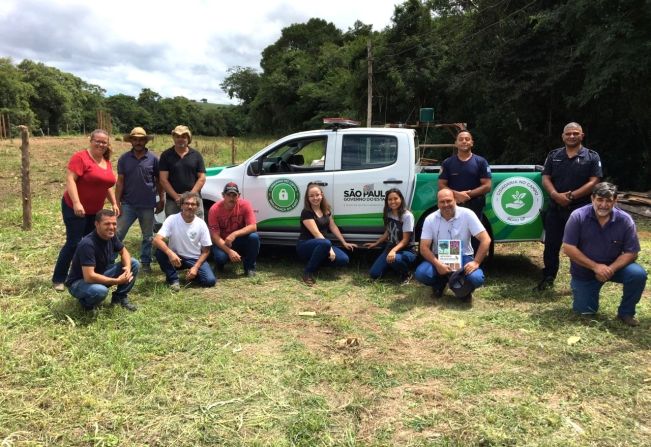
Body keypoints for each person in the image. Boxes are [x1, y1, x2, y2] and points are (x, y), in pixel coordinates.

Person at [562, 182, 647, 326]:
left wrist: (610, 269)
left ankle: (626, 313)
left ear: (615, 201)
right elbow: (568, 248)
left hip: (614, 268)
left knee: (638, 274)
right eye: (600, 200)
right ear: (592, 199)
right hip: (585, 270)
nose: (604, 204)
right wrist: (595, 267)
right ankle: (586, 302)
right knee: (585, 312)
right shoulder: (578, 216)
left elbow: (631, 252)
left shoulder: (625, 220)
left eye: (608, 201)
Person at [535, 122, 602, 291]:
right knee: (551, 245)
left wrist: (572, 196)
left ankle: (580, 281)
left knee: (580, 245)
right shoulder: (554, 155)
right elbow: (546, 178)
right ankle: (548, 277)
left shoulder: (592, 156)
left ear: (582, 135)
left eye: (575, 133)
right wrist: (556, 195)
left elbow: (594, 181)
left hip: (580, 209)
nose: (571, 136)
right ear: (563, 136)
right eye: (568, 134)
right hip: (555, 208)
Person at [52, 129, 119, 291]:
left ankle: (88, 274)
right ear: (91, 140)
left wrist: (114, 203)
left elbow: (107, 185)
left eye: (104, 142)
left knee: (92, 243)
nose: (101, 144)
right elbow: (71, 179)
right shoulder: (80, 157)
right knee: (74, 243)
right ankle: (59, 278)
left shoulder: (106, 161)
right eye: (98, 141)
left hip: (94, 211)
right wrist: (76, 202)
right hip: (75, 208)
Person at [414, 188, 491, 300]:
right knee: (422, 274)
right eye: (442, 202)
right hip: (439, 257)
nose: (446, 204)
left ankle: (464, 289)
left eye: (449, 201)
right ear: (437, 203)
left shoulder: (468, 214)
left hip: (463, 257)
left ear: (455, 200)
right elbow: (424, 248)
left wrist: (476, 262)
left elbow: (486, 239)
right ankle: (439, 284)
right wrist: (438, 264)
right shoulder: (430, 219)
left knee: (476, 278)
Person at [65, 209, 139, 311]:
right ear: (97, 224)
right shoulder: (88, 244)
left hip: (100, 274)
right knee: (100, 291)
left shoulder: (110, 236)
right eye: (107, 224)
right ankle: (86, 304)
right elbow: (89, 277)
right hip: (79, 282)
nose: (111, 227)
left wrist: (127, 268)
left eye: (114, 224)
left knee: (134, 263)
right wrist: (117, 281)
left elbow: (124, 252)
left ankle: (119, 298)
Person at [114, 127, 164, 273]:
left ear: (145, 141)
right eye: (135, 139)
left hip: (147, 204)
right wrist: (117, 202)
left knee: (148, 236)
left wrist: (161, 199)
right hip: (128, 204)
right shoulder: (124, 159)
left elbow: (159, 181)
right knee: (118, 233)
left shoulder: (153, 159)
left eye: (141, 139)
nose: (138, 142)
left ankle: (146, 263)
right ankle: (109, 260)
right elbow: (120, 182)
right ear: (131, 141)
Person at [296, 183, 357, 286]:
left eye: (317, 195)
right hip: (305, 245)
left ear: (322, 195)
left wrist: (344, 242)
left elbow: (333, 227)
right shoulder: (306, 212)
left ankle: (316, 263)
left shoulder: (326, 210)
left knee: (344, 259)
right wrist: (330, 249)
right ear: (307, 198)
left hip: (323, 244)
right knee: (326, 243)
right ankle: (307, 273)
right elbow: (316, 233)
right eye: (311, 196)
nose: (315, 198)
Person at [153, 191, 215, 291]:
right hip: (176, 257)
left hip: (194, 258)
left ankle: (194, 274)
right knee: (160, 252)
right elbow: (156, 240)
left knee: (210, 281)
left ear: (197, 207)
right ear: (181, 205)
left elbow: (206, 250)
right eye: (186, 203)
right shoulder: (172, 219)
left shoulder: (201, 224)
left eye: (193, 204)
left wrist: (195, 267)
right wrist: (170, 253)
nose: (189, 206)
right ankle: (173, 280)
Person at [364, 188, 417, 283]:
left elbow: (405, 241)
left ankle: (406, 274)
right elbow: (389, 231)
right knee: (374, 274)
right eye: (390, 199)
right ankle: (392, 266)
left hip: (407, 249)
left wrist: (393, 251)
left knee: (396, 258)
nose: (393, 201)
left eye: (395, 198)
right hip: (391, 248)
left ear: (401, 199)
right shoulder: (388, 213)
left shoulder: (407, 216)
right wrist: (376, 243)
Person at [207, 182, 260, 277]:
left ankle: (249, 267)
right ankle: (219, 265)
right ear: (223, 195)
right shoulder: (214, 209)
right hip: (222, 241)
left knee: (254, 237)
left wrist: (234, 234)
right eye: (228, 195)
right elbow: (215, 237)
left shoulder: (245, 205)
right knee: (221, 258)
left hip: (237, 239)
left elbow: (253, 226)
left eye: (234, 195)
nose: (231, 198)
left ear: (238, 195)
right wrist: (229, 251)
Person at [438, 130, 492, 220]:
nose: (464, 141)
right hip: (453, 205)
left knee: (474, 232)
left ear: (472, 143)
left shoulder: (481, 162)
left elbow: (487, 186)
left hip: (475, 205)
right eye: (461, 139)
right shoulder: (447, 162)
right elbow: (441, 185)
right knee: (454, 232)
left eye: (467, 139)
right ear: (456, 143)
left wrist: (468, 195)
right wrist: (457, 195)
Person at [159, 125, 206, 219]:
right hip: (173, 202)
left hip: (194, 201)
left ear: (188, 138)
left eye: (184, 136)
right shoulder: (166, 155)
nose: (180, 139)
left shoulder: (196, 155)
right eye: (177, 136)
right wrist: (177, 197)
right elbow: (163, 179)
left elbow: (202, 178)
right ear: (173, 138)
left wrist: (189, 196)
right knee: (173, 230)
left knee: (196, 228)